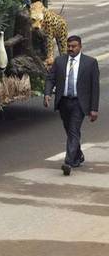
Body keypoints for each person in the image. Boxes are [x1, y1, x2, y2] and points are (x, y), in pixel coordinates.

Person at [44, 35, 100, 175]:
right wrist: (47, 94)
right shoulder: (60, 61)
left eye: (74, 46)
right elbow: (51, 79)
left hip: (79, 103)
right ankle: (78, 155)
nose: (71, 49)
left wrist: (94, 109)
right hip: (63, 102)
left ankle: (68, 162)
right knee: (70, 131)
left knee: (73, 130)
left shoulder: (90, 63)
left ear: (80, 47)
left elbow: (95, 87)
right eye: (69, 46)